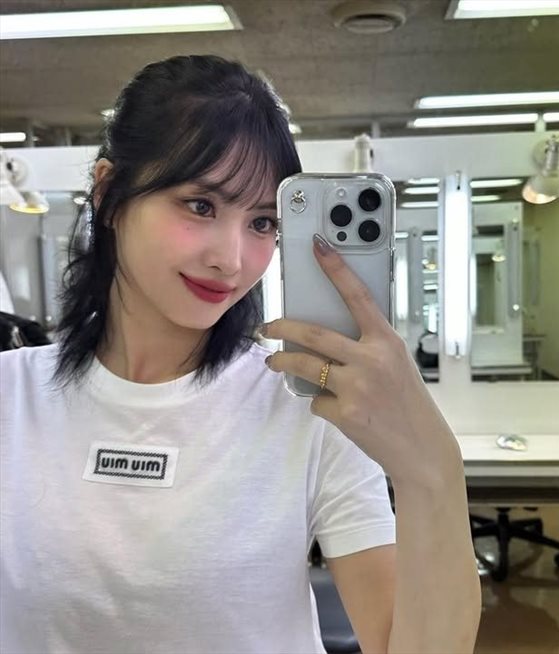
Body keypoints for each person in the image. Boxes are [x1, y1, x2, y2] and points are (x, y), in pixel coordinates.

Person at [0, 55, 480, 653]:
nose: (231, 259)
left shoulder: (309, 408)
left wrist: (434, 470)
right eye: (201, 206)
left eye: (262, 223)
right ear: (108, 194)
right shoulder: (10, 397)